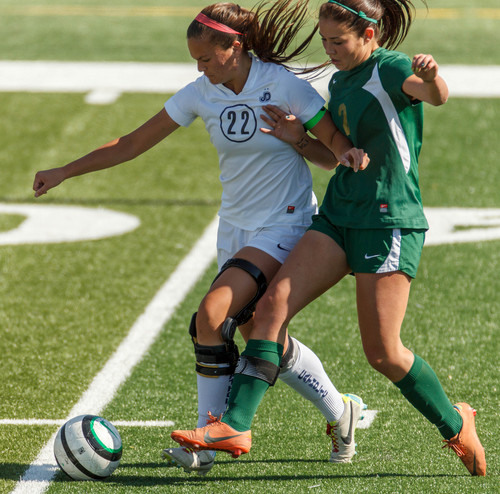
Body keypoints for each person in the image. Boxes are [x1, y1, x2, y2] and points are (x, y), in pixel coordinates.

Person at [33, 0, 370, 476]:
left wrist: (306, 139)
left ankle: (207, 439)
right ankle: (341, 411)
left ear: (235, 47)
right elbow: (132, 143)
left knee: (211, 316)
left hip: (286, 222)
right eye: (195, 60)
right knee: (259, 333)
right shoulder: (201, 93)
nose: (200, 67)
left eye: (207, 58)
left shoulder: (283, 86)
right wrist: (65, 170)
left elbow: (332, 151)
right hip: (234, 227)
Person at [170, 0, 487, 477]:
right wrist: (298, 137)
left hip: (387, 221)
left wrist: (433, 74)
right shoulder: (339, 82)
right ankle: (235, 424)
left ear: (370, 36)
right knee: (270, 309)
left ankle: (455, 422)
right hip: (338, 214)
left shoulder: (392, 67)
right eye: (325, 41)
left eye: (339, 42)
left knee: (383, 352)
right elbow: (332, 158)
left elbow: (435, 95)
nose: (330, 51)